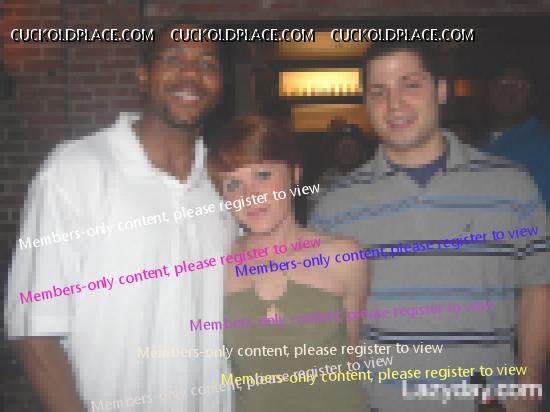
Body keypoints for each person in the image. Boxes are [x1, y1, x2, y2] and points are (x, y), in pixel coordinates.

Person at [5, 22, 234, 412]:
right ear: (143, 75)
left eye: (207, 64)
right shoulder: (76, 169)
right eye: (172, 59)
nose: (191, 74)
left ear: (221, 85)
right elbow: (33, 331)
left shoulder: (226, 182)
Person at [311, 43, 549, 412]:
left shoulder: (512, 185)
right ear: (366, 103)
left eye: (410, 85)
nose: (395, 104)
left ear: (440, 90)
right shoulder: (335, 204)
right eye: (379, 92)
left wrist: (529, 388)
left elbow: (538, 287)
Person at [207, 115, 370, 412]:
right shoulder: (218, 265)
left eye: (263, 175)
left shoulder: (344, 257)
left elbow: (351, 355)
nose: (249, 195)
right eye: (233, 183)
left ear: (294, 174)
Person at [484, 63, 550, 208]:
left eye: (519, 84)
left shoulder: (545, 145)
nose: (508, 90)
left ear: (533, 96)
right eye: (502, 82)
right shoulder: (475, 146)